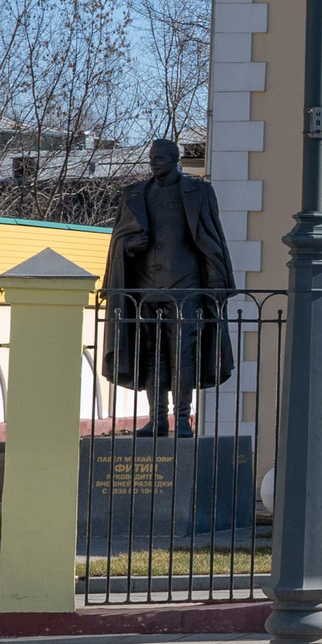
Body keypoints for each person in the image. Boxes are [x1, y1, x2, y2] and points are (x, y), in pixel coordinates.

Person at [100, 138, 235, 438]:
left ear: (175, 161)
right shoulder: (135, 194)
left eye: (159, 159)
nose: (154, 163)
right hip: (145, 289)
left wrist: (216, 285)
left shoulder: (198, 192)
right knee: (152, 354)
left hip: (186, 289)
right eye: (151, 158)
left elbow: (212, 239)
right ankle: (157, 418)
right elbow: (119, 239)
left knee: (182, 353)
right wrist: (129, 245)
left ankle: (183, 417)